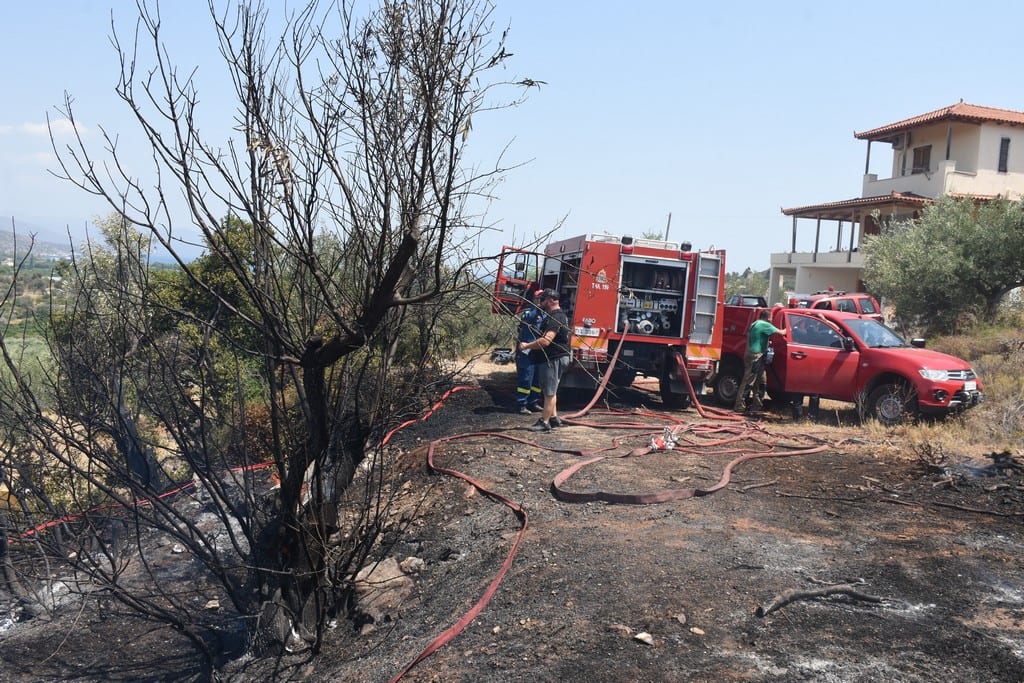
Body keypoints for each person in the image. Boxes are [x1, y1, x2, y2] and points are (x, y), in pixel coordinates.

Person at [518, 288, 570, 432]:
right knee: (551, 389)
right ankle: (554, 418)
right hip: (557, 357)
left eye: (543, 300)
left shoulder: (555, 317)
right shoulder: (558, 316)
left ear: (551, 300)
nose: (541, 302)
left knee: (549, 393)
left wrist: (526, 346)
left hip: (553, 358)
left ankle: (544, 422)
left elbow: (546, 341)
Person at [734, 309, 786, 412]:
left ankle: (757, 405)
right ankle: (739, 405)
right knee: (749, 380)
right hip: (755, 356)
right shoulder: (764, 324)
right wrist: (791, 327)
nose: (771, 319)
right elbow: (782, 332)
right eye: (771, 317)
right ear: (767, 317)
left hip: (756, 355)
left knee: (761, 380)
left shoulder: (755, 323)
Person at [514, 291, 546, 415]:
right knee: (526, 377)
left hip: (537, 349)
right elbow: (527, 318)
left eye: (542, 298)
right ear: (534, 299)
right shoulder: (529, 312)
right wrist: (537, 307)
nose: (540, 300)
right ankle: (521, 404)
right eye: (538, 298)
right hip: (526, 350)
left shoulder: (544, 314)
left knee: (537, 379)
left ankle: (533, 402)